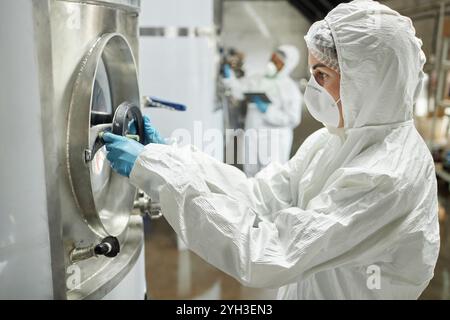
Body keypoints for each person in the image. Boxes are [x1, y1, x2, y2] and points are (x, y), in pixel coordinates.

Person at [103, 0, 440, 299]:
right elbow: (259, 196)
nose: (313, 88)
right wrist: (173, 160)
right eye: (312, 74)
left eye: (322, 75)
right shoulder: (334, 140)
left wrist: (157, 174)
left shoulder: (388, 176)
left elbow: (268, 254)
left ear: (368, 79)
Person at [223, 45, 302, 177]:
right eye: (272, 58)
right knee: (250, 174)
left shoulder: (289, 88)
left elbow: (293, 118)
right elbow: (238, 89)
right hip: (253, 134)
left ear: (287, 65)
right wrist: (228, 77)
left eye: (277, 61)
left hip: (275, 139)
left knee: (271, 177)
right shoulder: (257, 79)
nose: (272, 63)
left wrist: (268, 110)